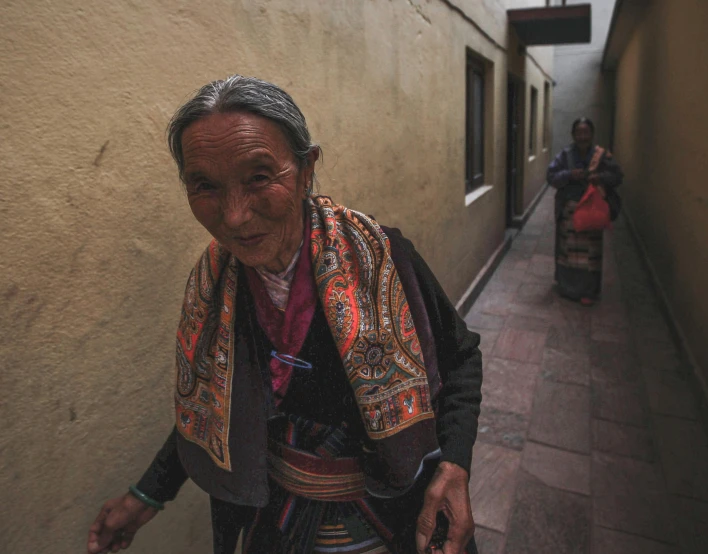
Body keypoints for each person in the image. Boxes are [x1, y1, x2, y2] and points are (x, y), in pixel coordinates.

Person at [87, 76, 483, 554]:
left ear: (305, 169)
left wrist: (455, 465)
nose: (233, 217)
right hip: (274, 522)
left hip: (387, 519)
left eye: (258, 177)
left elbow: (461, 359)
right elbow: (213, 405)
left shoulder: (381, 258)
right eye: (205, 186)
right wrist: (145, 495)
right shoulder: (216, 290)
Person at [546, 117, 624, 306]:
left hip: (592, 211)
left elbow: (617, 176)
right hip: (569, 212)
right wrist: (569, 175)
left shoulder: (601, 156)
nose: (582, 136)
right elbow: (551, 176)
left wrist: (600, 177)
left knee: (590, 254)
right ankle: (567, 287)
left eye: (586, 132)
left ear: (592, 134)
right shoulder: (565, 156)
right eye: (579, 132)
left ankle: (588, 291)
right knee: (568, 252)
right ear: (573, 134)